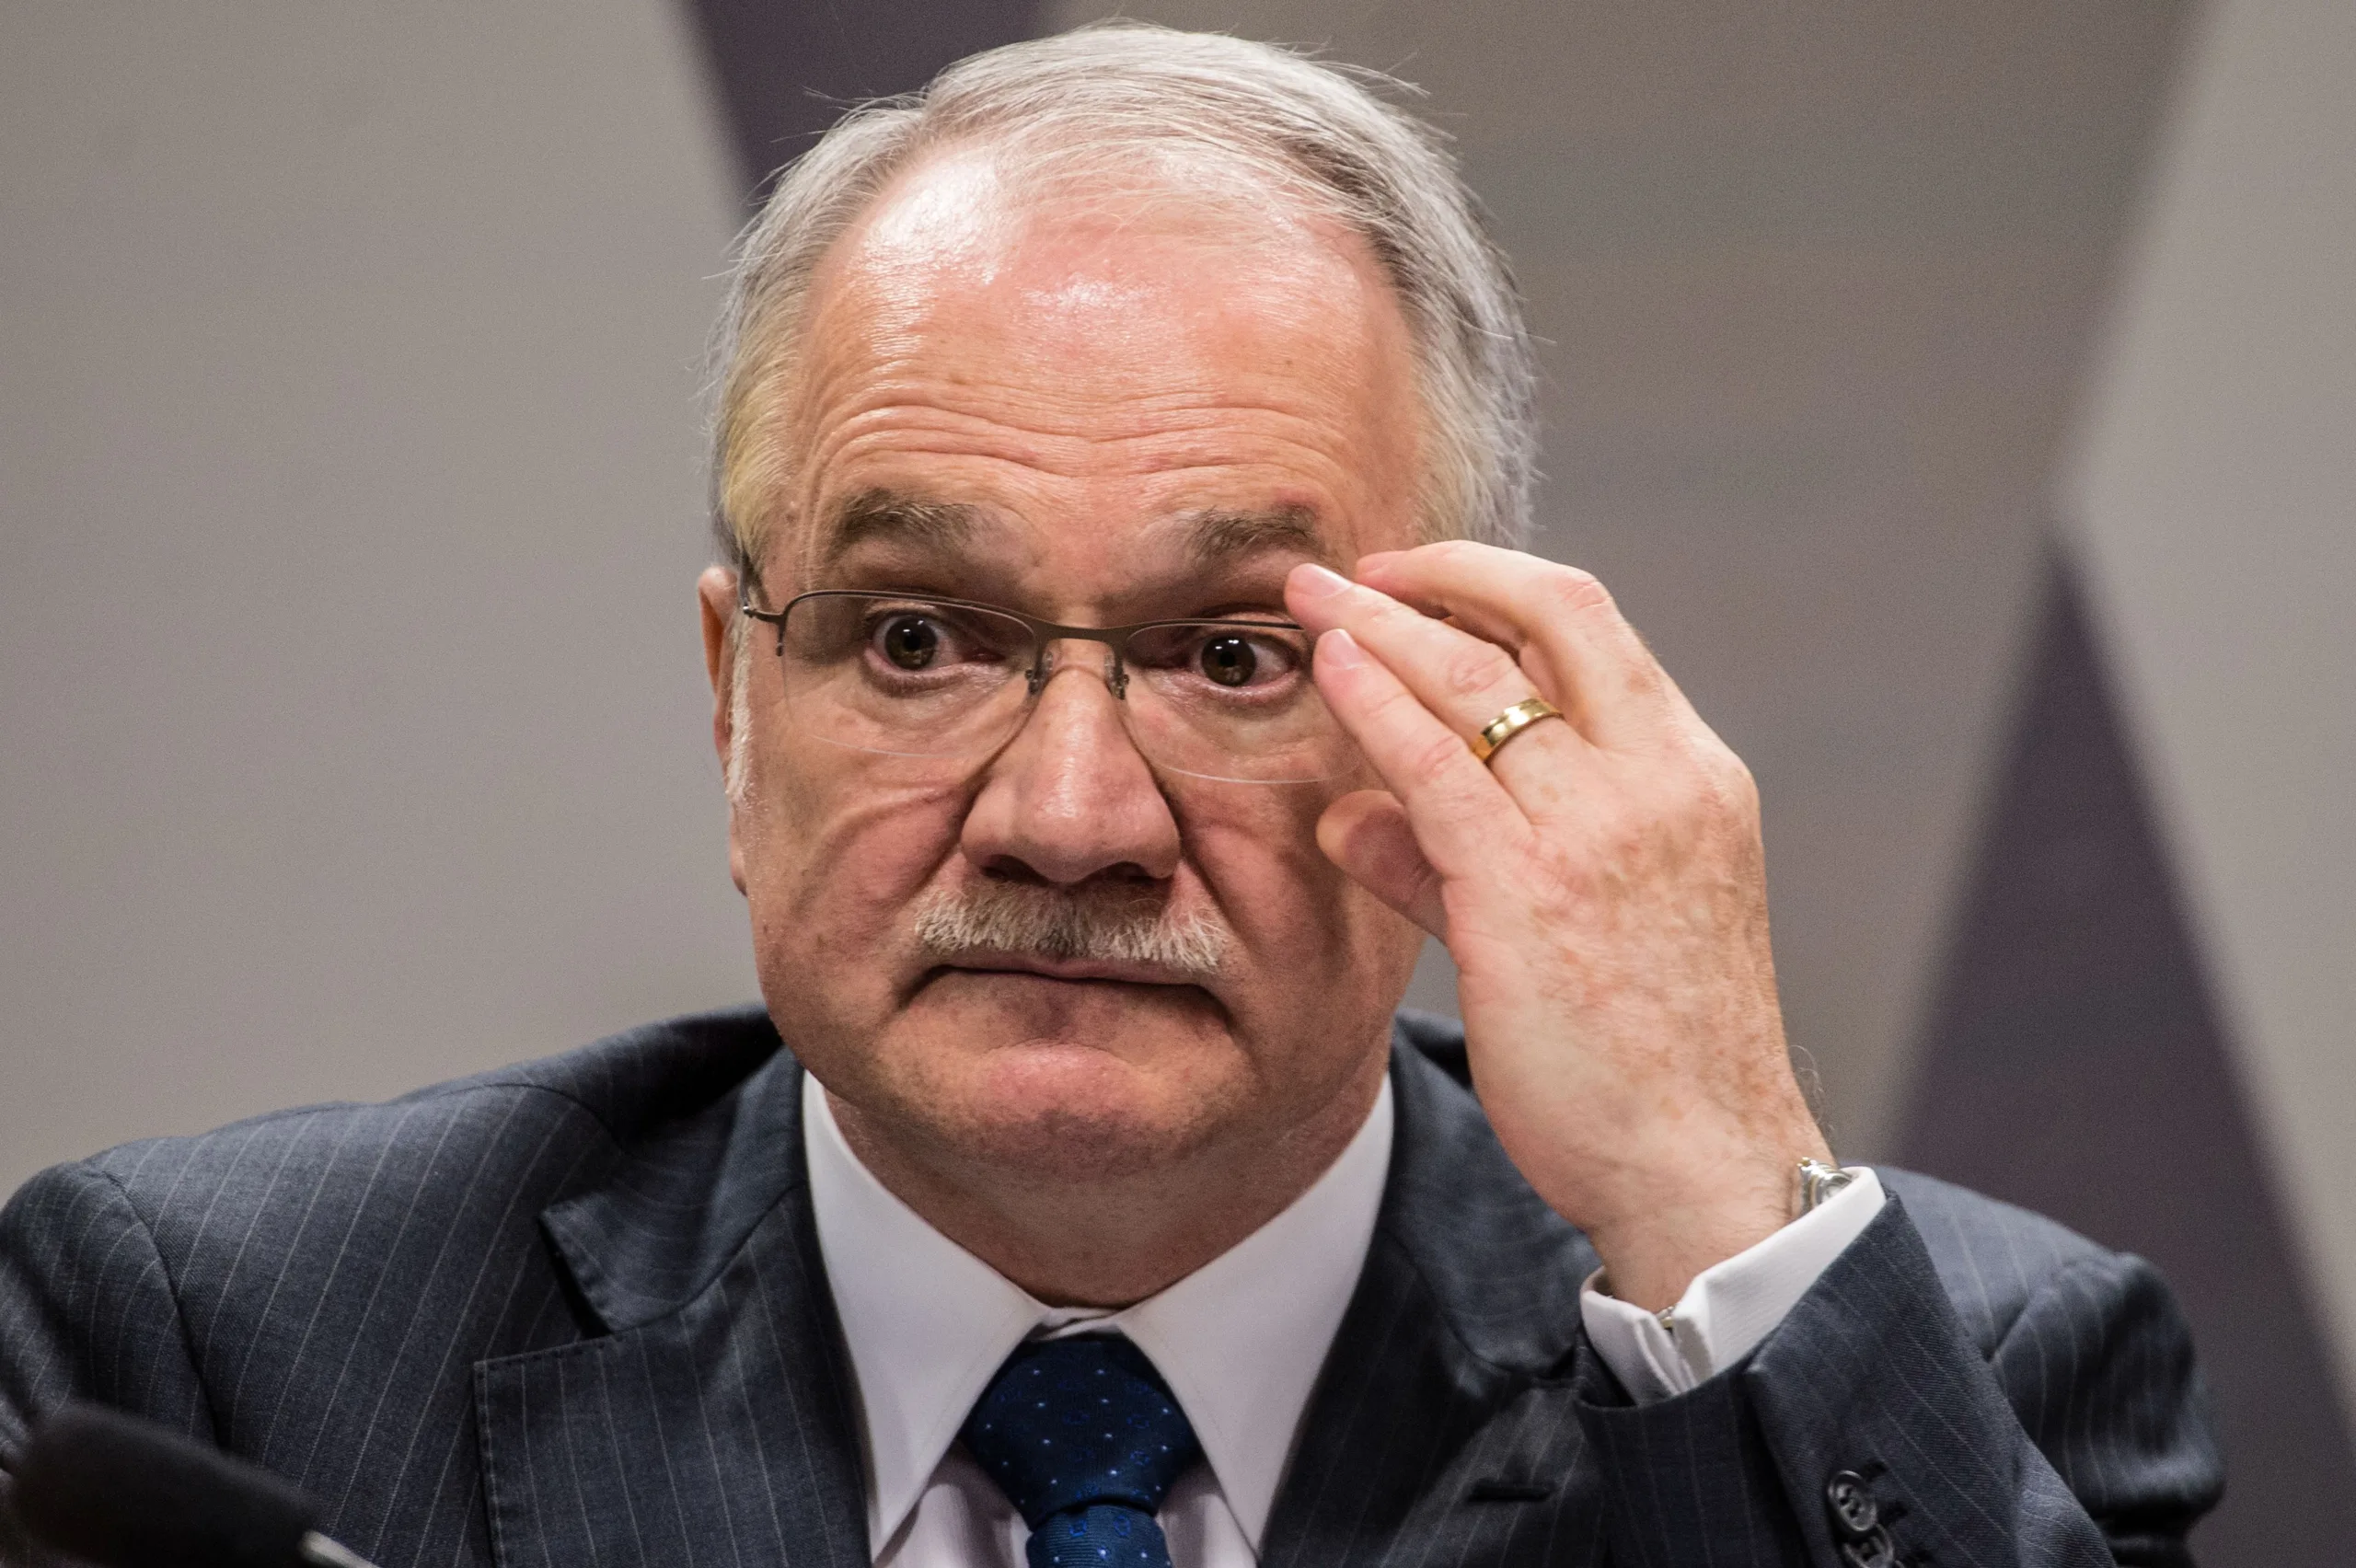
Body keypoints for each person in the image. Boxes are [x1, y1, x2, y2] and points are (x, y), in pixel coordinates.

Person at [0, 23, 2218, 1568]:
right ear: (729, 701)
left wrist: (1712, 1193)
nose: (1068, 818)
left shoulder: (1961, 1372)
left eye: (1235, 656)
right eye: (914, 639)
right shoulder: (220, 1359)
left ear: (1460, 727)